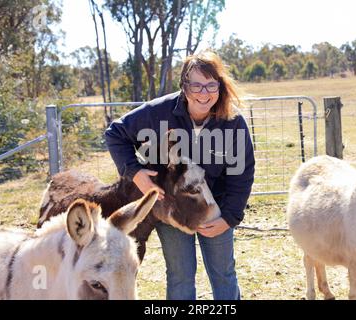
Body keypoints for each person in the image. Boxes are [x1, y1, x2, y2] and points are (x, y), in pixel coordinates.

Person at [105, 50, 255, 300]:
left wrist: (229, 217)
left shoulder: (232, 122)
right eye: (196, 85)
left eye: (210, 85)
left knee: (223, 273)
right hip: (172, 209)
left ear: (220, 86)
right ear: (184, 86)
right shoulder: (158, 112)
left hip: (214, 209)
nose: (204, 93)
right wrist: (135, 173)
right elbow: (115, 134)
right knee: (180, 275)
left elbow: (242, 174)